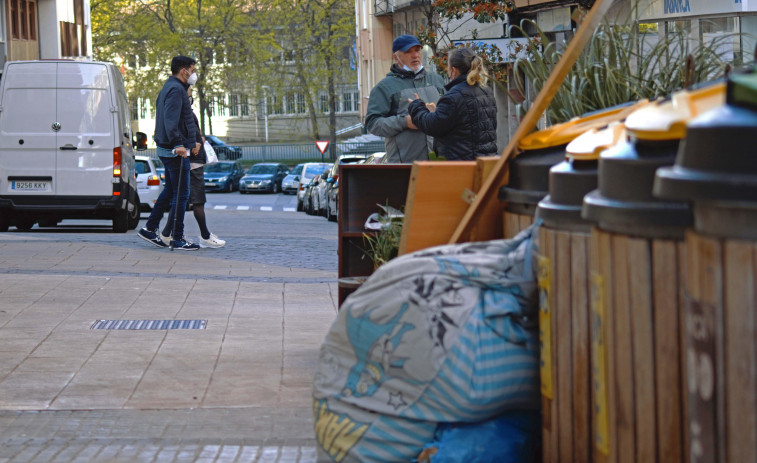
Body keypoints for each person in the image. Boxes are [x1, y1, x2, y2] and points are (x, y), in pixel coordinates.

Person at [137, 55, 200, 250]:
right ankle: (177, 237)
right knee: (182, 195)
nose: (194, 73)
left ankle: (150, 228)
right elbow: (171, 120)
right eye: (193, 69)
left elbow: (181, 116)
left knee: (171, 191)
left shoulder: (173, 87)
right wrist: (179, 144)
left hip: (171, 149)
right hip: (175, 151)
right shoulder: (174, 89)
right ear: (184, 71)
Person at [365, 34, 445, 163]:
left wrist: (439, 113)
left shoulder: (437, 80)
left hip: (439, 163)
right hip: (404, 166)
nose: (415, 55)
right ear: (396, 57)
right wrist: (404, 122)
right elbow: (372, 124)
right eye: (408, 52)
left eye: (417, 50)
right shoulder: (385, 87)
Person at [408, 47, 498, 161]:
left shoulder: (454, 96)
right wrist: (436, 112)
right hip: (486, 162)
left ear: (454, 71)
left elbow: (432, 125)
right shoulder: (486, 91)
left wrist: (416, 106)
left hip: (461, 165)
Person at [175, 85, 226, 248]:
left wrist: (199, 138)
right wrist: (196, 143)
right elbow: (186, 133)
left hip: (192, 161)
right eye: (189, 92)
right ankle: (204, 236)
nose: (191, 95)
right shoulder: (185, 112)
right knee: (197, 201)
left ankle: (169, 233)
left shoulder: (183, 111)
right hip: (194, 162)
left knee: (181, 199)